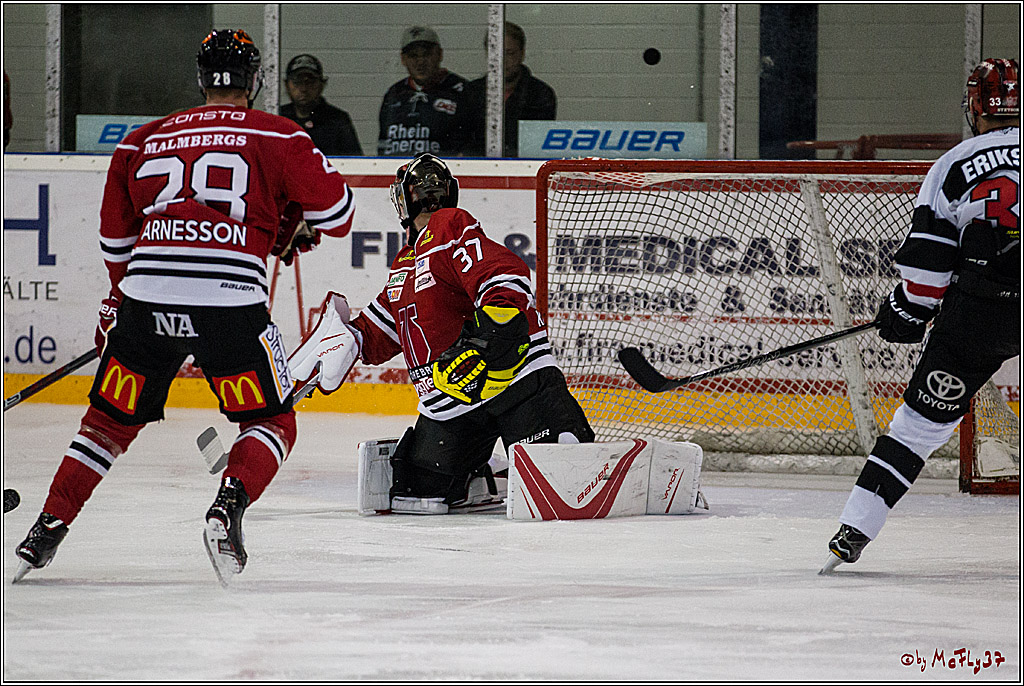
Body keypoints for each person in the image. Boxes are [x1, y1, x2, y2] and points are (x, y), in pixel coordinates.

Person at [13, 29, 355, 585]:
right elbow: (338, 214)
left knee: (106, 423)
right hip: (230, 306)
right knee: (270, 419)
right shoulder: (279, 133)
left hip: (146, 301)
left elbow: (115, 242)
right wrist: (284, 215)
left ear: (201, 79)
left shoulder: (141, 140)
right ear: (255, 80)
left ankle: (47, 526)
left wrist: (120, 302)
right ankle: (228, 506)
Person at [822, 58, 1020, 573]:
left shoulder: (956, 164)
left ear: (974, 105)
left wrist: (908, 310)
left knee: (919, 427)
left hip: (981, 317)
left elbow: (931, 259)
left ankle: (854, 530)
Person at [347, 153, 594, 513]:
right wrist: (345, 341)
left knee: (561, 476)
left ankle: (565, 454)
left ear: (402, 200)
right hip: (450, 405)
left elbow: (502, 275)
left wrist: (490, 332)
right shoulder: (403, 266)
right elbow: (379, 331)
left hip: (514, 384)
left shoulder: (448, 226)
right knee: (416, 492)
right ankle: (485, 473)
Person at [377, 26, 477, 157]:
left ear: (439, 54)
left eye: (426, 54)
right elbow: (383, 146)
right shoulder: (394, 93)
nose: (420, 62)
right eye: (413, 56)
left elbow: (474, 144)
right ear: (403, 59)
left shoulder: (462, 91)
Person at [467, 22, 557, 157]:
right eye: (496, 53)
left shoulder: (539, 93)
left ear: (522, 53)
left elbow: (535, 146)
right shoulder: (472, 92)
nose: (502, 60)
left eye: (509, 53)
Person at [280, 53, 362, 156]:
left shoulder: (337, 120)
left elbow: (353, 161)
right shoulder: (279, 117)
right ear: (286, 85)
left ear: (322, 84)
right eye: (297, 82)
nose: (303, 88)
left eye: (310, 82)